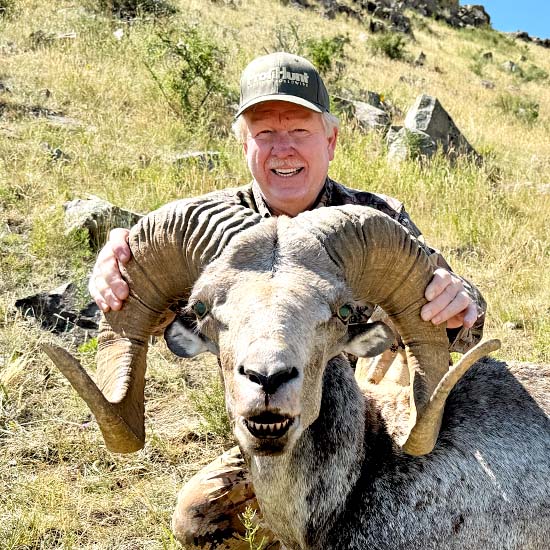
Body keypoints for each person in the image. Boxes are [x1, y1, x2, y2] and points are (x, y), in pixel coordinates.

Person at [89, 52, 485, 548]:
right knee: (200, 520)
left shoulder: (375, 219)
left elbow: (460, 325)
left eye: (299, 130)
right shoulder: (205, 232)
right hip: (271, 420)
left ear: (331, 140)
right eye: (265, 132)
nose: (283, 149)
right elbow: (151, 318)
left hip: (376, 428)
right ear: (243, 143)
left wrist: (457, 301)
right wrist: (121, 275)